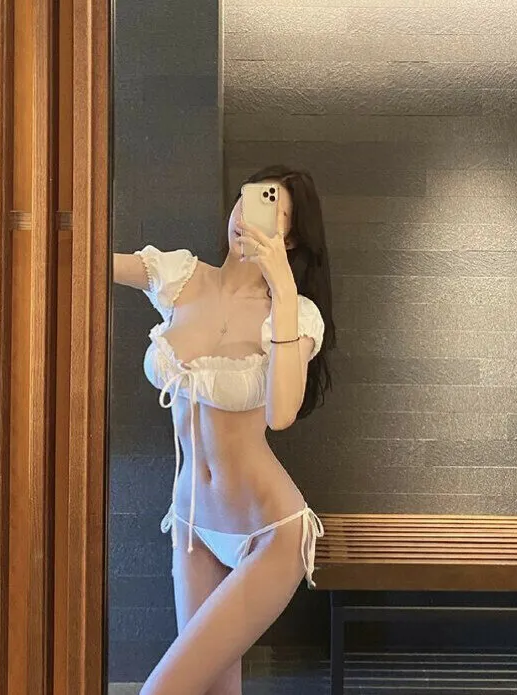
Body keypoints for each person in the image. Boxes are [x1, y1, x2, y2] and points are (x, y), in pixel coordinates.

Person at [112, 164, 336, 695]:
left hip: (268, 531)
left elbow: (281, 413)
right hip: (193, 523)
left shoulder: (294, 315)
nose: (247, 218)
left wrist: (283, 287)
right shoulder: (180, 277)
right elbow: (88, 259)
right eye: (247, 200)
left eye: (271, 212)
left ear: (291, 238)